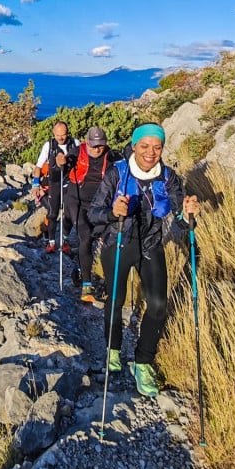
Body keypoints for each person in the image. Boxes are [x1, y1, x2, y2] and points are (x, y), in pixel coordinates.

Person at [88, 123, 201, 397]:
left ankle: (143, 360)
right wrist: (113, 213)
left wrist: (189, 215)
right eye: (145, 146)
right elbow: (94, 213)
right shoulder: (117, 173)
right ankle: (112, 350)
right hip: (118, 243)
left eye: (157, 147)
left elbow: (181, 220)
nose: (151, 152)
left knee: (159, 305)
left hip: (151, 244)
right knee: (115, 300)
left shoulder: (169, 177)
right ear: (135, 146)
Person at [69, 126, 120, 303]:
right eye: (93, 146)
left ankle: (80, 267)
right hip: (77, 203)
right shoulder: (77, 152)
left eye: (100, 146)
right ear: (87, 143)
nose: (97, 149)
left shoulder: (112, 156)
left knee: (101, 238)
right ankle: (86, 285)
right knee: (86, 238)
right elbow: (60, 168)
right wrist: (61, 163)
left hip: (100, 207)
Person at [33, 121, 78, 253]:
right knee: (53, 213)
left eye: (63, 135)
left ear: (67, 133)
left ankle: (65, 240)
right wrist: (36, 185)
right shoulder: (49, 146)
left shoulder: (75, 143)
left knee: (69, 213)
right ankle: (51, 242)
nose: (60, 138)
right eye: (58, 135)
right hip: (54, 183)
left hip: (70, 183)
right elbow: (38, 166)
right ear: (54, 133)